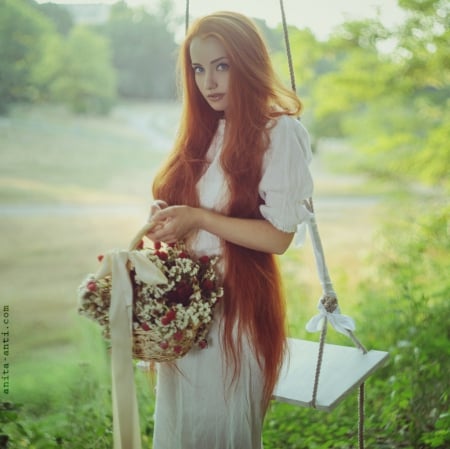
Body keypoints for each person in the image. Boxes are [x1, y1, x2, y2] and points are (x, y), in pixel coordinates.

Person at [146, 10, 313, 449]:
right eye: (199, 69)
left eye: (222, 65)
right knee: (180, 431)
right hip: (184, 312)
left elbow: (279, 237)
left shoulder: (278, 133)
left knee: (219, 433)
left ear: (248, 62)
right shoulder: (202, 133)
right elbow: (191, 208)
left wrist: (199, 218)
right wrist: (170, 217)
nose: (209, 82)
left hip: (235, 312)